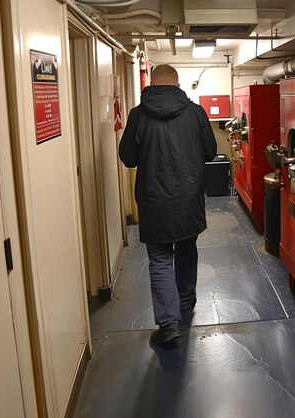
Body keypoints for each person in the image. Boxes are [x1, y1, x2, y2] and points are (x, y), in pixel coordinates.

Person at [119, 64, 217, 345]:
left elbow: (128, 158)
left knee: (160, 260)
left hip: (154, 201)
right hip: (189, 199)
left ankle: (168, 326)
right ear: (177, 84)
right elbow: (210, 151)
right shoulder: (195, 111)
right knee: (187, 249)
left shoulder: (138, 115)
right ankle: (185, 303)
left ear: (151, 84)